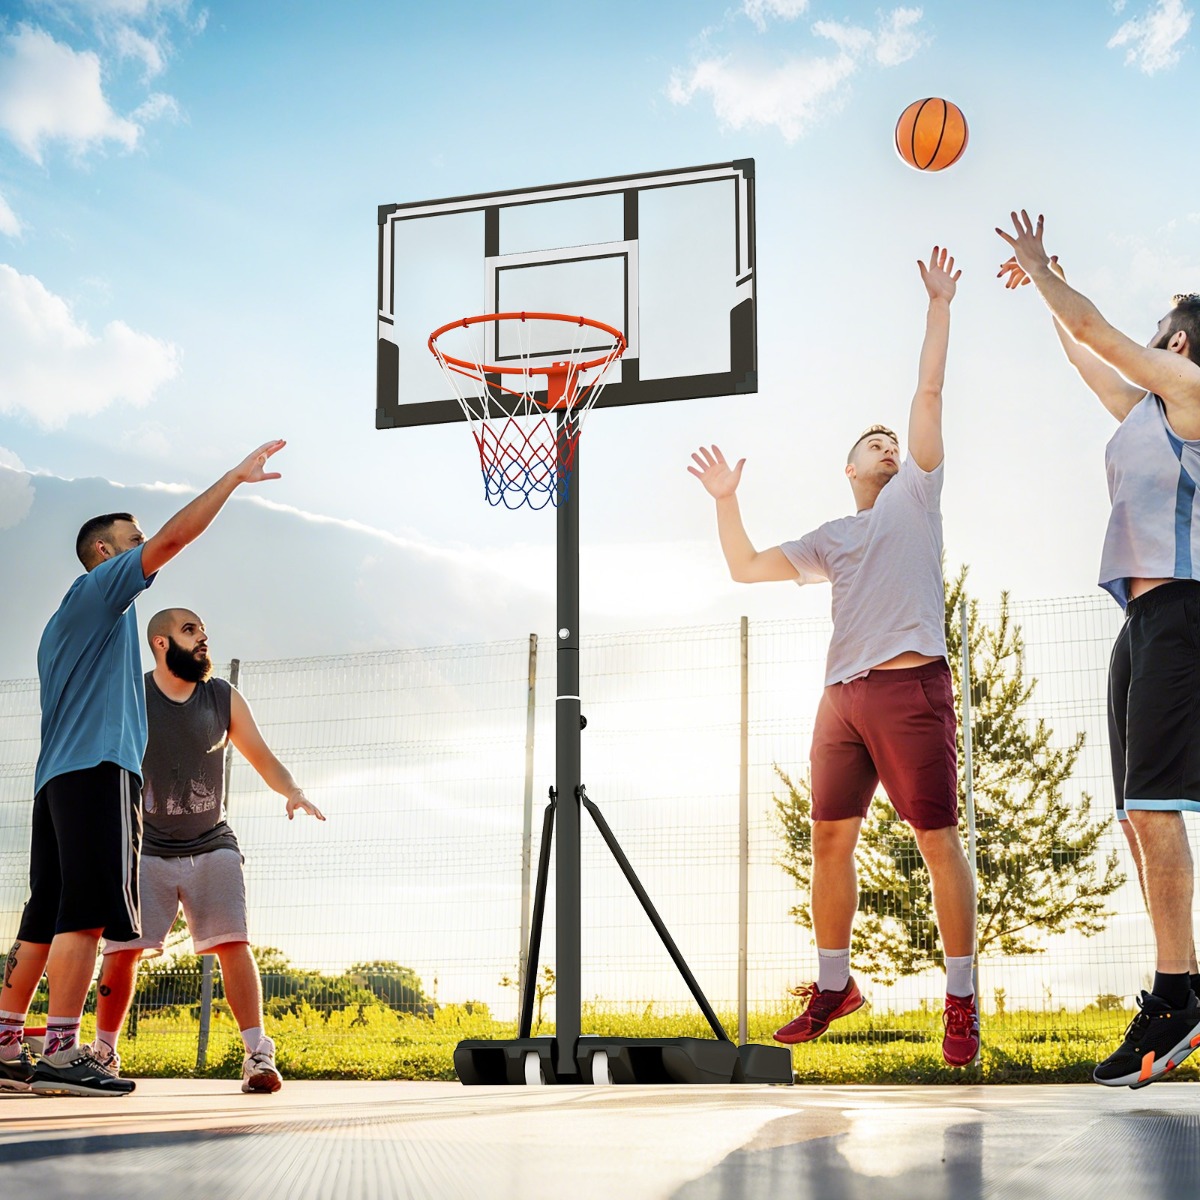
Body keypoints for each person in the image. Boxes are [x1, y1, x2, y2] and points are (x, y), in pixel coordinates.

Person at [688, 247, 979, 1067]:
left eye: (894, 439)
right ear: (849, 468)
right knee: (828, 843)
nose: (891, 443)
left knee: (937, 842)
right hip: (840, 702)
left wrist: (939, 306)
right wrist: (727, 501)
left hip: (909, 687)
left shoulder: (918, 495)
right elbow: (744, 567)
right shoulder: (832, 538)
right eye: (874, 442)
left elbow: (928, 392)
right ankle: (833, 985)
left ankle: (960, 1001)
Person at [0, 441, 286, 1097]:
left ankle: (7, 1038)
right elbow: (177, 538)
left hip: (57, 778)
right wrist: (233, 478)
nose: (144, 548)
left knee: (44, 914)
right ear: (107, 553)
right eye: (132, 542)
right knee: (86, 914)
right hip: (97, 771)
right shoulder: (101, 591)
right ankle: (65, 1052)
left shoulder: (66, 623)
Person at [997, 210, 1200, 1088]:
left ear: (1180, 341)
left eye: (1157, 338)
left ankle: (1178, 993)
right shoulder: (1145, 413)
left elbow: (1098, 332)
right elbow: (1085, 352)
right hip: (1141, 621)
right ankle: (1181, 987)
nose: (1145, 349)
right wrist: (1047, 291)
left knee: (1156, 808)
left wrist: (1045, 270)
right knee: (1136, 812)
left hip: (1185, 613)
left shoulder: (1190, 391)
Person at [90, 607, 324, 1093]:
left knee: (233, 942)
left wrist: (292, 790)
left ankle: (258, 1055)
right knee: (121, 952)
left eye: (203, 632)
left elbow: (260, 754)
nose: (202, 640)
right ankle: (104, 1053)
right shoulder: (133, 695)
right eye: (190, 631)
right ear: (160, 643)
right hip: (144, 846)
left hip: (211, 841)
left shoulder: (222, 696)